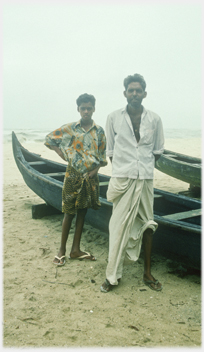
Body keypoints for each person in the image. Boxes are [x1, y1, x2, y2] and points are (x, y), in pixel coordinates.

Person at [100, 74, 164, 292]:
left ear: (144, 94)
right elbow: (110, 151)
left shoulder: (154, 119)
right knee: (117, 228)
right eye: (131, 90)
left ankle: (147, 273)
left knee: (148, 225)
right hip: (122, 179)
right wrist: (126, 170)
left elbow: (157, 151)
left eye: (138, 90)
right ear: (125, 93)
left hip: (145, 179)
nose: (135, 94)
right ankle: (112, 276)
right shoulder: (113, 117)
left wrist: (140, 169)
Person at [45, 93, 107, 266]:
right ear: (78, 109)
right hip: (72, 175)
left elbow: (102, 157)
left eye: (89, 108)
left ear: (94, 109)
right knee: (68, 212)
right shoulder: (71, 128)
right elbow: (50, 139)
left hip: (90, 178)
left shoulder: (100, 131)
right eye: (83, 108)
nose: (86, 111)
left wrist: (96, 170)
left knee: (82, 212)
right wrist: (60, 153)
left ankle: (76, 250)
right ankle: (61, 250)